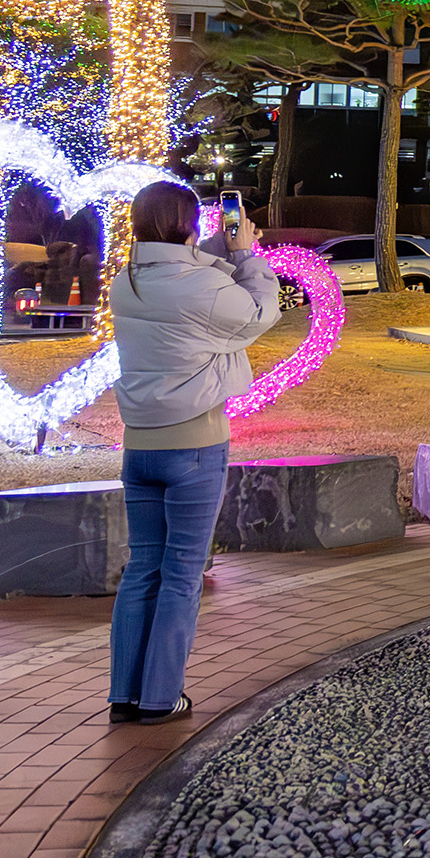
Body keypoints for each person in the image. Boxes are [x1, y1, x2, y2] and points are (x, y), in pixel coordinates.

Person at [106, 181, 280, 725]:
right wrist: (245, 252)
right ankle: (161, 698)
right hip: (196, 446)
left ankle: (125, 696)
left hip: (140, 447)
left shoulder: (125, 284)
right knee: (182, 574)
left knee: (143, 570)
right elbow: (259, 314)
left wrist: (217, 251)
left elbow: (182, 278)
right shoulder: (204, 288)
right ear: (188, 224)